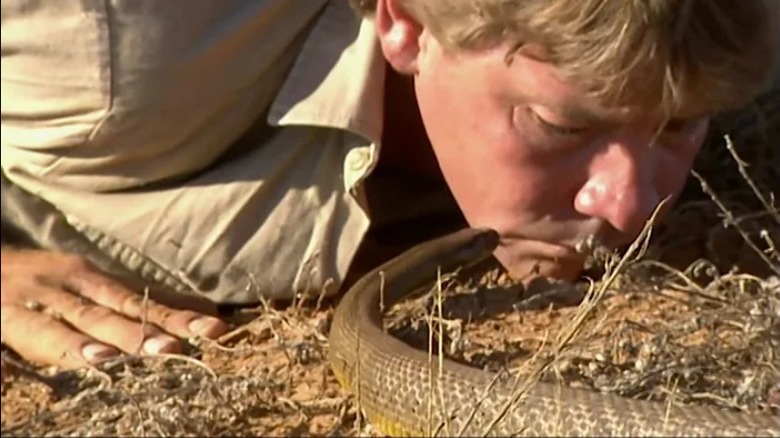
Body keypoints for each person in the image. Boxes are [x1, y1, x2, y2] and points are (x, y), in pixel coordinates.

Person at [1, 0, 778, 369]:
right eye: (562, 127)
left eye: (679, 125)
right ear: (403, 22)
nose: (633, 205)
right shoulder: (105, 45)